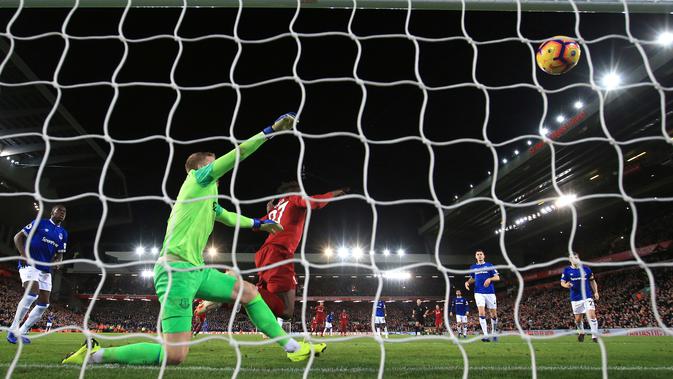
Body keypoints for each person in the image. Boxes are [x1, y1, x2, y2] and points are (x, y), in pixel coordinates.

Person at [62, 113, 325, 366]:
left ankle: (293, 348)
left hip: (196, 271)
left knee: (249, 292)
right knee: (174, 356)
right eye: (212, 161)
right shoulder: (197, 179)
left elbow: (230, 217)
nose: (216, 165)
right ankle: (95, 355)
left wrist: (259, 223)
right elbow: (239, 154)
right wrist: (271, 131)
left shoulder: (207, 200)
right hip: (175, 272)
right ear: (200, 167)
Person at [255, 182, 348, 320]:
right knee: (286, 310)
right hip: (279, 252)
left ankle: (286, 341)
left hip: (264, 254)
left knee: (271, 304)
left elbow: (255, 226)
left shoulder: (276, 209)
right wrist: (336, 192)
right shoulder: (293, 198)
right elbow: (315, 202)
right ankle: (234, 294)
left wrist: (270, 213)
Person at [7, 205, 68, 344]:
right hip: (30, 264)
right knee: (31, 294)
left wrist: (58, 261)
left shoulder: (63, 233)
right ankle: (13, 328)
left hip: (45, 269)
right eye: (59, 210)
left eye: (64, 212)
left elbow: (60, 254)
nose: (62, 213)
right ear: (52, 212)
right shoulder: (40, 223)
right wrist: (24, 255)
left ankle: (21, 332)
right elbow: (18, 237)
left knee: (43, 304)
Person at [561, 253, 600, 343]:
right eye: (573, 258)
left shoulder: (586, 269)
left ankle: (595, 336)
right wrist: (566, 285)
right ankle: (581, 332)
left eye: (576, 257)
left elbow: (592, 281)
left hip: (587, 296)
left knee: (592, 315)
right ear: (569, 259)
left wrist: (596, 292)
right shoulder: (566, 270)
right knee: (578, 320)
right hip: (575, 298)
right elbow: (562, 282)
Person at [465, 250, 500, 342]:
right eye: (478, 254)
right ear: (475, 256)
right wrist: (467, 282)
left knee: (494, 315)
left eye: (481, 254)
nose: (479, 256)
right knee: (481, 312)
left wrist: (489, 278)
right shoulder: (473, 267)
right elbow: (473, 278)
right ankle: (485, 335)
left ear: (484, 256)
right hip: (478, 292)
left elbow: (497, 277)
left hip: (490, 293)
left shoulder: (489, 265)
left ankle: (494, 332)